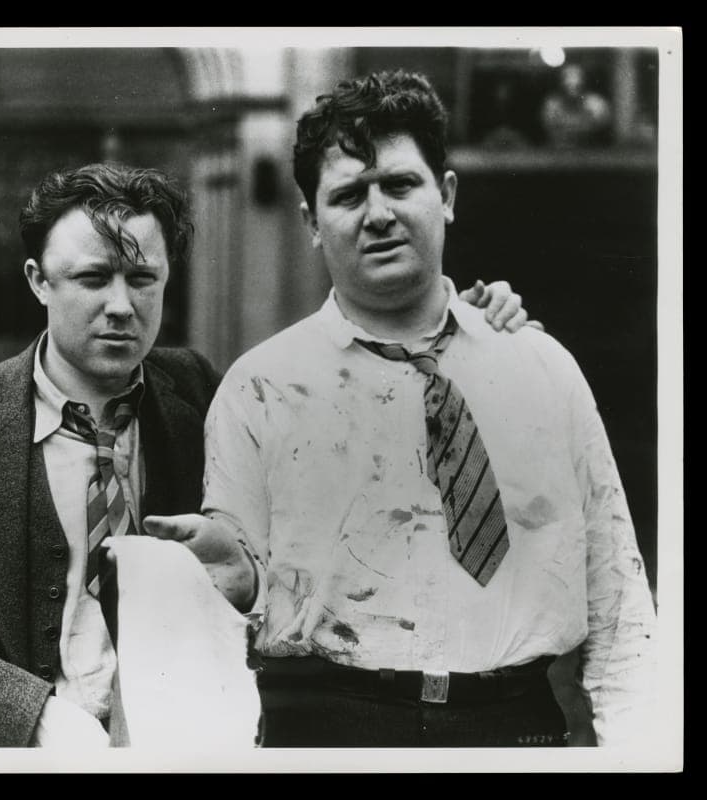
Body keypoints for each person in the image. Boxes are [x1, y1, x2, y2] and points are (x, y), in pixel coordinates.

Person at [0, 161, 529, 748]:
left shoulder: (201, 395)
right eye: (94, 278)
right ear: (38, 280)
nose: (122, 306)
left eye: (143, 279)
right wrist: (31, 716)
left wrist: (463, 326)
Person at [149, 69, 656, 748]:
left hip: (515, 730)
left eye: (400, 185)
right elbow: (232, 606)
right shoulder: (258, 388)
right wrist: (230, 582)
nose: (378, 213)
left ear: (445, 195)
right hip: (325, 732)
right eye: (350, 194)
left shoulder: (543, 371)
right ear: (310, 222)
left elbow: (619, 607)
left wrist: (642, 752)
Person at [541, 63, 612, 148]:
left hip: (592, 151)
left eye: (576, 82)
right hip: (561, 151)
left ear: (584, 81)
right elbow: (550, 130)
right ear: (561, 83)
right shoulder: (552, 105)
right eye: (567, 80)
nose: (572, 82)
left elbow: (602, 130)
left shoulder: (597, 104)